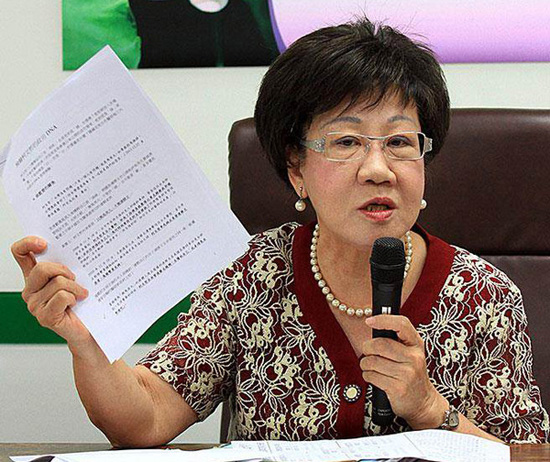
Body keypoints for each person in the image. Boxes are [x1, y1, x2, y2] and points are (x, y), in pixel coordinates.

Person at [11, 18, 549, 447]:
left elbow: (528, 455)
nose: (378, 169)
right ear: (297, 169)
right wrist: (87, 342)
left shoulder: (484, 295)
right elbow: (145, 420)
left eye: (400, 143)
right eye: (346, 142)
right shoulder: (250, 275)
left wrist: (431, 409)